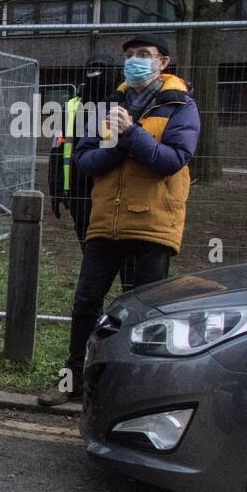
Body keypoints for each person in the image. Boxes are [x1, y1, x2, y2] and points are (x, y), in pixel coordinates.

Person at [38, 35, 199, 407]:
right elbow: (85, 160)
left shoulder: (181, 106)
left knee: (145, 312)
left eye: (144, 55)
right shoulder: (110, 104)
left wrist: (130, 134)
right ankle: (72, 378)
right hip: (104, 222)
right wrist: (119, 141)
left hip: (153, 226)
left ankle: (138, 390)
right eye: (129, 56)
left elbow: (171, 160)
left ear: (164, 62)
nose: (135, 62)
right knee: (85, 303)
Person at [49, 54, 117, 250]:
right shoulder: (71, 107)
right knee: (88, 247)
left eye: (101, 69)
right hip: (79, 190)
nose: (94, 74)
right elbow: (58, 148)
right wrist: (56, 188)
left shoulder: (124, 103)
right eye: (90, 69)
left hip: (115, 190)